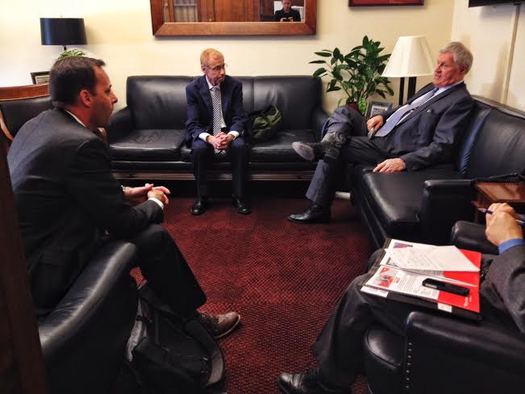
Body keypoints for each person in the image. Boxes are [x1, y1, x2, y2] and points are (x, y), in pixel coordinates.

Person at [7, 56, 240, 339]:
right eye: (107, 91)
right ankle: (193, 321)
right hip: (49, 271)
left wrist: (124, 193)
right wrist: (154, 202)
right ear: (85, 97)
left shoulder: (38, 124)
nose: (115, 98)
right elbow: (123, 224)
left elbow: (65, 187)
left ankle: (175, 312)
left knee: (151, 239)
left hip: (23, 258)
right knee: (154, 238)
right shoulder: (81, 143)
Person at [278, 202, 525, 393]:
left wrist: (510, 241)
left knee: (363, 289)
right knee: (382, 258)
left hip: (497, 312)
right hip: (495, 276)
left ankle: (327, 384)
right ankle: (349, 353)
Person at [288, 42, 475, 224]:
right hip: (384, 131)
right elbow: (406, 108)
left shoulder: (459, 101)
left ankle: (319, 207)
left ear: (462, 70)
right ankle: (329, 142)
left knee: (339, 147)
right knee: (345, 111)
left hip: (393, 147)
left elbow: (443, 146)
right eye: (437, 63)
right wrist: (384, 116)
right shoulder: (431, 88)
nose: (437, 69)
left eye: (444, 65)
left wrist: (404, 161)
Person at [185, 48, 250, 216]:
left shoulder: (234, 85)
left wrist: (230, 136)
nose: (222, 72)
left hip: (228, 129)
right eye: (216, 68)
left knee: (240, 146)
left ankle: (239, 197)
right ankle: (202, 197)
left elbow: (239, 117)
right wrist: (210, 139)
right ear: (204, 69)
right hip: (206, 132)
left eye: (223, 66)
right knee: (199, 149)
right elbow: (192, 123)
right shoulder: (192, 88)